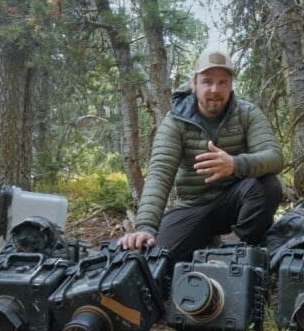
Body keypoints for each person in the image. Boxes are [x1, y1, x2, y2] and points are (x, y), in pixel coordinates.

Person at [118, 48, 284, 263]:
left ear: (231, 85)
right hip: (192, 207)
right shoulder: (175, 121)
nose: (215, 89)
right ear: (194, 83)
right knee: (157, 260)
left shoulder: (247, 113)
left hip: (235, 203)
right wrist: (146, 227)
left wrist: (234, 164)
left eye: (222, 82)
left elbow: (274, 157)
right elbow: (160, 172)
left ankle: (230, 254)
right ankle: (204, 241)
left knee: (268, 185)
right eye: (207, 81)